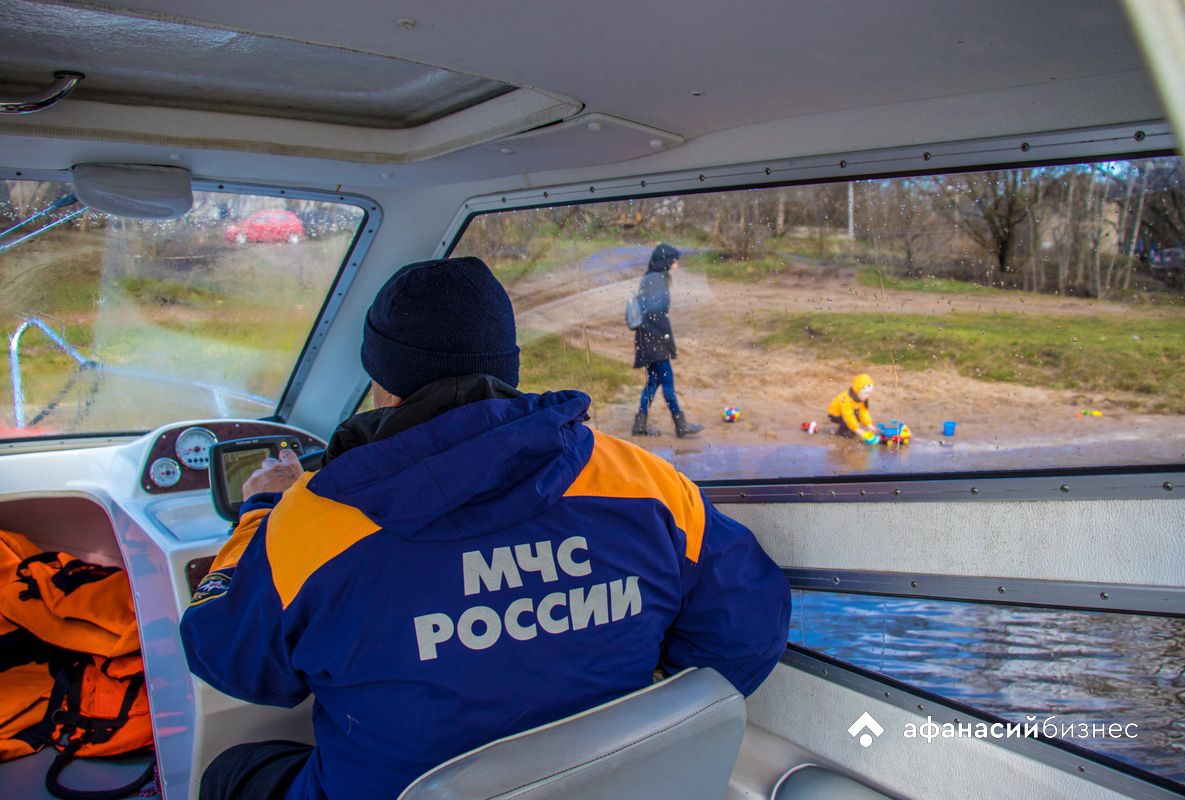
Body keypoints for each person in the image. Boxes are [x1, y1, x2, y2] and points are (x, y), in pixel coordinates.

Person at [180, 256, 791, 800]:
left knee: (232, 772)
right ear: (506, 366)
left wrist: (259, 512)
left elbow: (229, 660)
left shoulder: (311, 525)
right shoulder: (646, 484)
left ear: (383, 381)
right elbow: (747, 627)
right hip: (608, 783)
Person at [631, 243, 705, 438]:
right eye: (674, 261)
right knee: (668, 382)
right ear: (666, 261)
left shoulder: (650, 278)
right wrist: (668, 340)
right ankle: (680, 425)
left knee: (653, 383)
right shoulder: (656, 280)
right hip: (654, 338)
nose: (676, 265)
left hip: (646, 337)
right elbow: (656, 314)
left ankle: (640, 424)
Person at [827, 372, 880, 444]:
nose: (867, 396)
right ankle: (843, 431)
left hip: (846, 413)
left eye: (869, 393)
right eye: (865, 393)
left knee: (857, 413)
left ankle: (849, 428)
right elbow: (848, 415)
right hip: (834, 414)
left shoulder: (861, 399)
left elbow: (863, 412)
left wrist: (869, 425)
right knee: (852, 416)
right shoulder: (846, 398)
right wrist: (857, 430)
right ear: (857, 391)